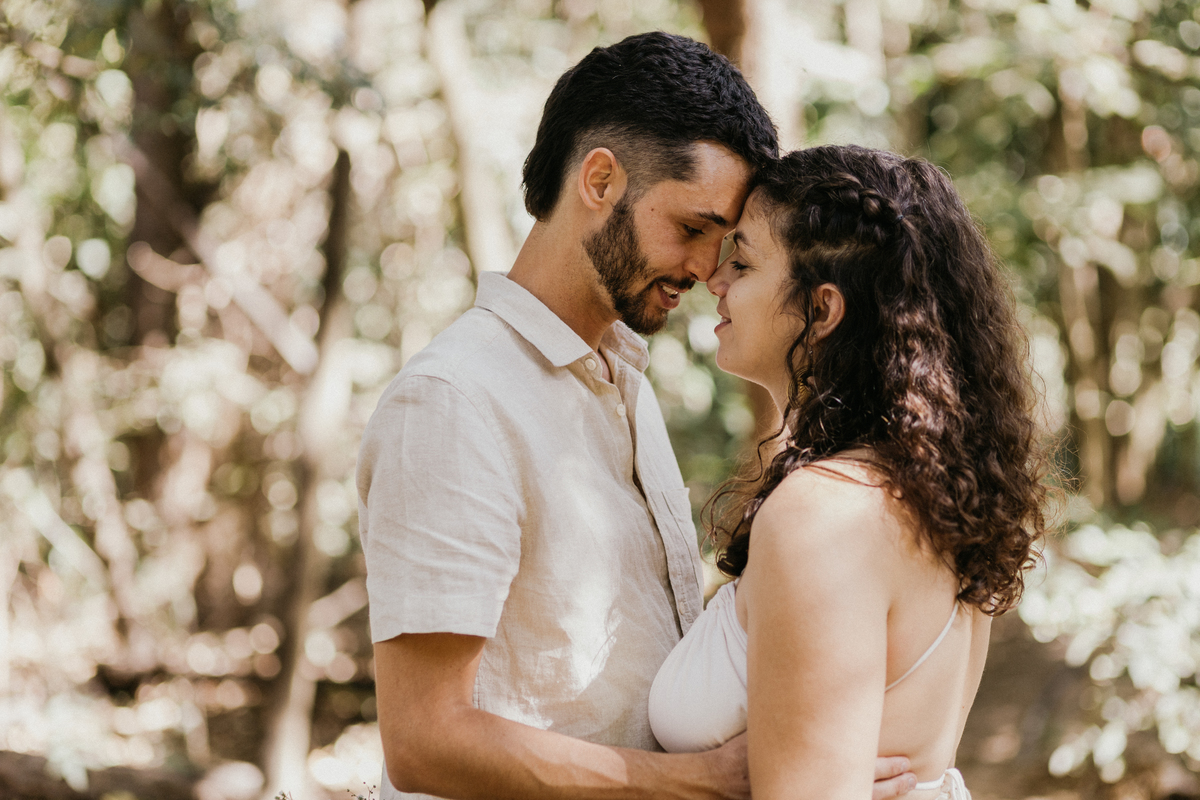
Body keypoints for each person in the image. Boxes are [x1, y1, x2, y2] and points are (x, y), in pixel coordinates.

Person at [356, 34, 917, 800]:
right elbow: (425, 739)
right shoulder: (456, 400)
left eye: (724, 246)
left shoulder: (625, 382)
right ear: (599, 179)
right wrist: (700, 782)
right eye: (691, 228)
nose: (705, 271)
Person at [649, 145, 1051, 800]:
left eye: (743, 261)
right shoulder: (925, 496)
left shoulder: (824, 514)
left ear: (822, 310)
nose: (715, 280)